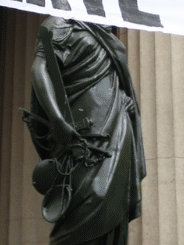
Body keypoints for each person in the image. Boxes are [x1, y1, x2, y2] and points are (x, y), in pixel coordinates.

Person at [25, 17, 146, 245]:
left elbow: (116, 78)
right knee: (89, 199)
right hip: (83, 134)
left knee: (114, 206)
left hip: (117, 128)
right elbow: (39, 70)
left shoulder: (107, 30)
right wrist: (57, 119)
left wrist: (126, 102)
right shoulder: (57, 24)